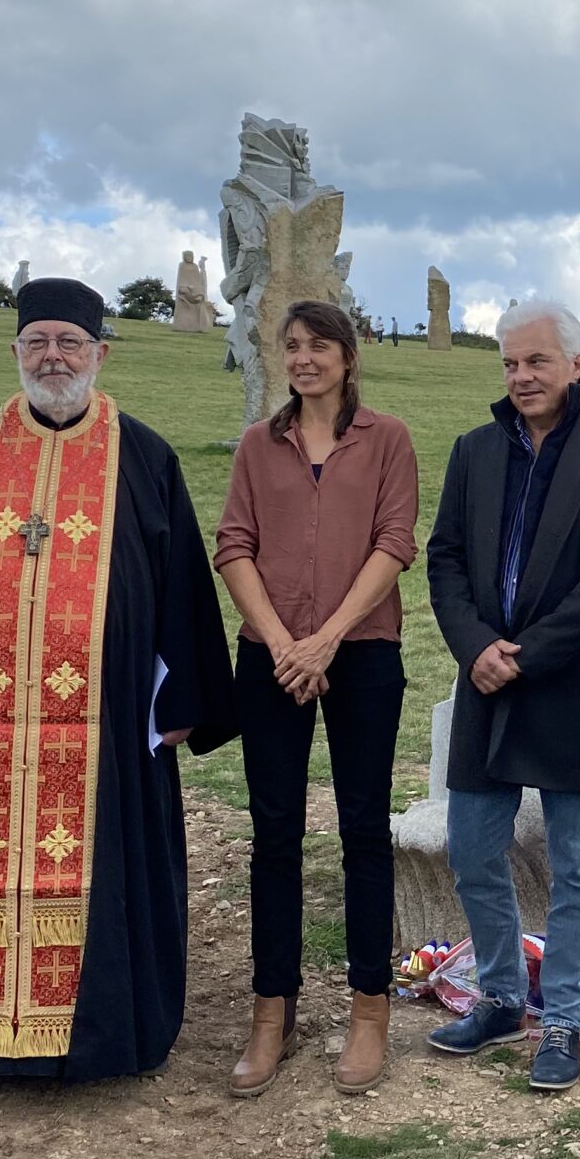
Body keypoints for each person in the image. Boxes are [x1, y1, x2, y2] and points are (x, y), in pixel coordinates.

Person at [0, 279, 236, 1097]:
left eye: (70, 343)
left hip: (104, 728)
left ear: (101, 353)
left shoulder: (143, 454)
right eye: (38, 344)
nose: (54, 358)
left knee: (102, 869)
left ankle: (102, 1038)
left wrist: (181, 707)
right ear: (17, 353)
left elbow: (179, 588)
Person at [423, 302, 580, 1092]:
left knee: (576, 862)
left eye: (537, 362)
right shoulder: (475, 451)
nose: (522, 377)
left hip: (572, 683)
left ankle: (560, 1017)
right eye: (510, 364)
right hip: (487, 678)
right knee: (473, 848)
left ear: (576, 363)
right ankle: (497, 995)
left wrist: (527, 655)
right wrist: (474, 647)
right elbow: (445, 559)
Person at [215, 299, 419, 1097]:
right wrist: (280, 642)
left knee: (365, 830)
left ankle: (370, 1010)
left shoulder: (388, 439)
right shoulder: (257, 447)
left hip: (361, 653)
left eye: (319, 346)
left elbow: (394, 542)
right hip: (270, 659)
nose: (305, 359)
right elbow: (234, 545)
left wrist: (327, 637)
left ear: (347, 355)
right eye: (292, 346)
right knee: (275, 835)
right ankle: (274, 1011)